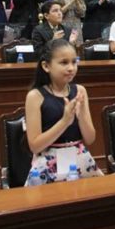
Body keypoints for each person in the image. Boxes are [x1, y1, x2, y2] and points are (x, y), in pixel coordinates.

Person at [24, 39, 101, 183]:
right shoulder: (35, 96)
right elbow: (35, 146)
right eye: (64, 63)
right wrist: (65, 122)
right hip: (48, 162)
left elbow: (90, 139)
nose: (71, 68)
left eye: (74, 62)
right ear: (46, 66)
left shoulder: (80, 91)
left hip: (79, 158)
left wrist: (81, 116)